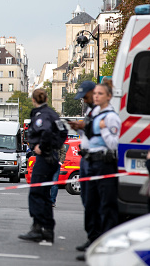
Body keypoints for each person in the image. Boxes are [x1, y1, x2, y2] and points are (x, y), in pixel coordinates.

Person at [76, 81, 120, 262]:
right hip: (90, 160)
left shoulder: (110, 117)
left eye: (100, 94)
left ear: (108, 96)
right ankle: (92, 240)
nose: (96, 97)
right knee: (91, 202)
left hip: (104, 163)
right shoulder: (94, 113)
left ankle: (105, 245)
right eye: (95, 94)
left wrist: (104, 130)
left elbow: (115, 144)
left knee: (106, 205)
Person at [18, 89, 67, 244]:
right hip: (52, 156)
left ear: (34, 100)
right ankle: (48, 230)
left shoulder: (41, 115)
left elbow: (44, 130)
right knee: (44, 195)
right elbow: (63, 131)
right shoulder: (52, 113)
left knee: (36, 193)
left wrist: (42, 147)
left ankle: (38, 228)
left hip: (44, 158)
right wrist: (55, 146)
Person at [67, 80, 97, 254]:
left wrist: (84, 126)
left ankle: (95, 240)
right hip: (86, 158)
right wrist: (79, 128)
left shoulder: (102, 112)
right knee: (87, 200)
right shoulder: (90, 110)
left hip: (96, 159)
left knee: (94, 202)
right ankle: (91, 238)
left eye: (85, 97)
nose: (84, 101)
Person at [50, 140, 68, 207]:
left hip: (55, 164)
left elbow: (63, 152)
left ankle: (52, 201)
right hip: (46, 164)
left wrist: (60, 162)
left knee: (54, 183)